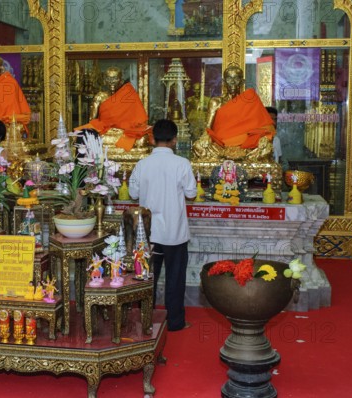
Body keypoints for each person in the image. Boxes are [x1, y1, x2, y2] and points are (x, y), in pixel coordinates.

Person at [129, 119, 197, 331]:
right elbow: (191, 194)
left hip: (148, 234)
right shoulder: (182, 164)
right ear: (175, 140)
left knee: (146, 278)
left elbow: (132, 194)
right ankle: (175, 322)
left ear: (152, 138)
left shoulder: (142, 164)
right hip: (174, 232)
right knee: (175, 279)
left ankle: (145, 320)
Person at [193, 66, 275, 158]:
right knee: (198, 146)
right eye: (229, 79)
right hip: (221, 146)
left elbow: (263, 127)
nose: (232, 82)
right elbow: (207, 128)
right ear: (224, 82)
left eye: (236, 78)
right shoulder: (216, 102)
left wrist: (263, 138)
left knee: (266, 147)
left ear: (242, 82)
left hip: (245, 146)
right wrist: (205, 137)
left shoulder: (249, 101)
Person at [76, 66, 151, 152]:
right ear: (104, 80)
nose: (111, 82)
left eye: (115, 78)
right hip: (107, 132)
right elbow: (92, 120)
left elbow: (138, 119)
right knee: (83, 137)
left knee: (142, 140)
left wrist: (125, 128)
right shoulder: (100, 97)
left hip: (125, 132)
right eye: (109, 78)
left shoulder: (128, 96)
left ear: (121, 80)